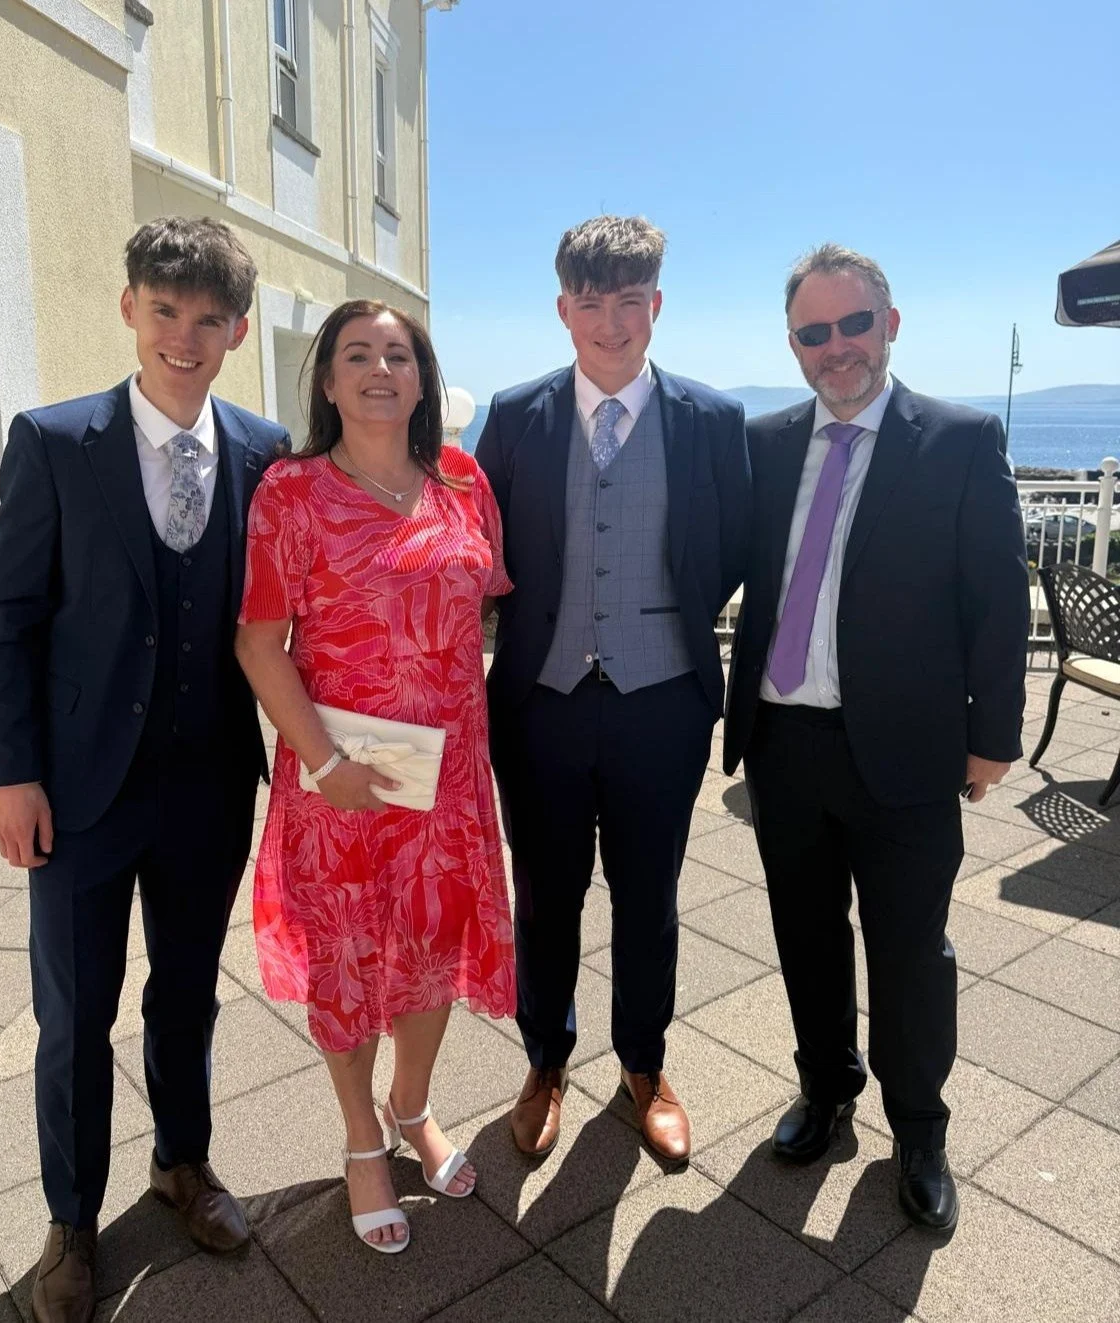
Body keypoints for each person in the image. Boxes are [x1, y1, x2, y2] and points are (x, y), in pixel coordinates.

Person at [0, 217, 289, 1322]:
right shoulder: (55, 441)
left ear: (238, 331)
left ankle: (183, 1163)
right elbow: (9, 619)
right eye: (165, 310)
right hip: (75, 791)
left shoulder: (265, 448)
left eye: (209, 319)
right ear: (129, 309)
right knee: (73, 1017)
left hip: (208, 787)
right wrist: (10, 775)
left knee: (189, 995)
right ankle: (70, 1221)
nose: (184, 337)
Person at [723, 244, 1030, 1234]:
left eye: (853, 324)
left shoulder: (959, 438)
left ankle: (921, 1128)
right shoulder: (763, 442)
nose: (837, 347)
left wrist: (994, 737)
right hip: (785, 746)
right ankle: (826, 1091)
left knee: (910, 953)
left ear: (890, 325)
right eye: (814, 333)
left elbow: (995, 602)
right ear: (793, 344)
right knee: (805, 938)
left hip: (904, 751)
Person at [234, 299, 515, 1254]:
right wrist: (323, 760)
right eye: (358, 355)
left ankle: (413, 1103)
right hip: (342, 778)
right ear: (327, 381)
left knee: (435, 949)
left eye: (399, 354)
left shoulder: (465, 482)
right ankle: (363, 1138)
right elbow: (258, 642)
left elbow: (490, 608)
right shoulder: (291, 492)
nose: (380, 369)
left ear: (425, 379)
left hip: (446, 779)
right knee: (348, 960)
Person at [476, 216, 751, 1164]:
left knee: (649, 898)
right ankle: (545, 1060)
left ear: (657, 305)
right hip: (541, 706)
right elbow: (483, 552)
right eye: (589, 301)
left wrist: (651, 623)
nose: (610, 320)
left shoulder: (714, 422)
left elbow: (729, 552)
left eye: (629, 299)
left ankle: (644, 1066)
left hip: (662, 701)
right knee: (546, 899)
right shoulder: (514, 416)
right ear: (563, 309)